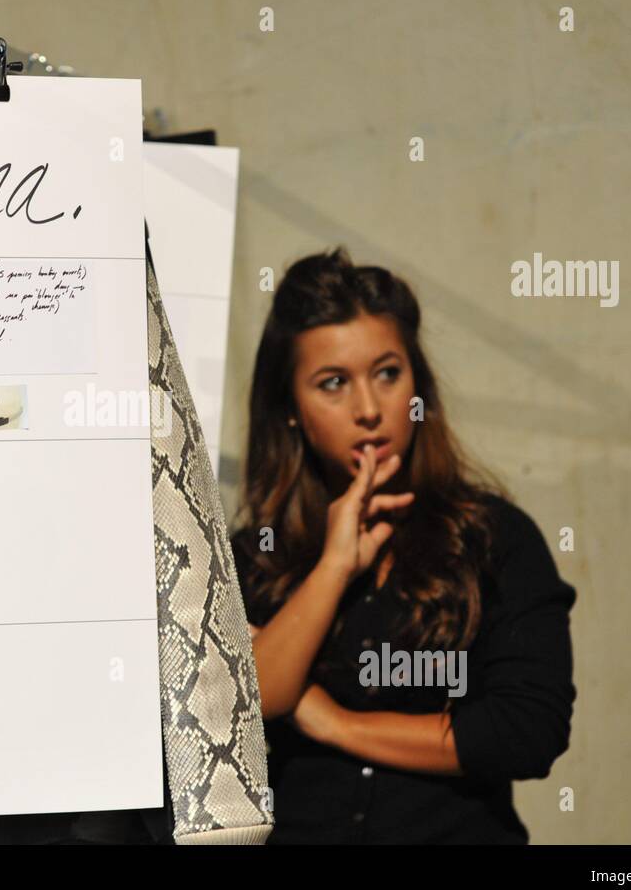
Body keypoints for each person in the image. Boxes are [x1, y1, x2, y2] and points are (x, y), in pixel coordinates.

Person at [230, 246, 576, 843]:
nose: (369, 409)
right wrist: (335, 565)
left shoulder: (494, 538)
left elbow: (525, 732)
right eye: (333, 383)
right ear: (291, 408)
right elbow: (247, 704)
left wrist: (332, 722)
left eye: (388, 373)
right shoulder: (257, 554)